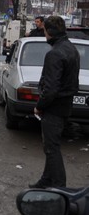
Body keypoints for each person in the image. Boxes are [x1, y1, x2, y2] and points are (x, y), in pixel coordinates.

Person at [29, 15, 80, 189]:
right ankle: (47, 179)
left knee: (51, 148)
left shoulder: (55, 53)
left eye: (44, 31)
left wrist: (39, 106)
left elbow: (51, 88)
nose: (44, 35)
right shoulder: (71, 48)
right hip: (65, 105)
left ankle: (59, 187)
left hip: (54, 107)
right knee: (51, 145)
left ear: (49, 32)